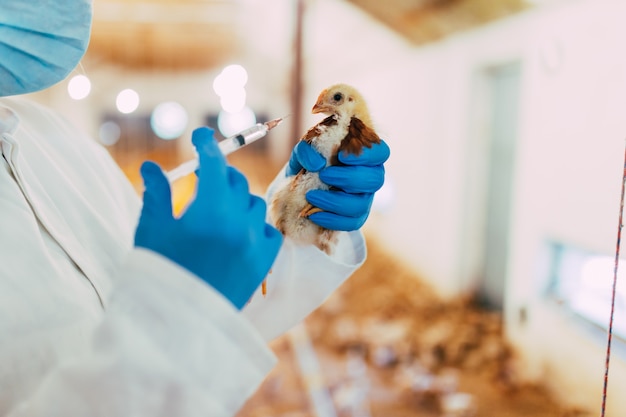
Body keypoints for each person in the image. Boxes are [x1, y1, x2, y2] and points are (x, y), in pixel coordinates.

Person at [0, 1, 390, 416]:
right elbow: (180, 308)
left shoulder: (52, 135)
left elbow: (207, 303)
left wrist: (304, 222)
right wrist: (181, 304)